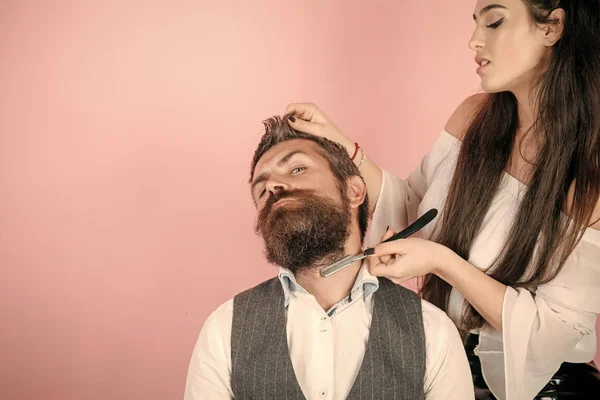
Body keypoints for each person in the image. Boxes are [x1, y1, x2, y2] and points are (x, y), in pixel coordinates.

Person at [285, 0, 600, 399]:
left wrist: (442, 262)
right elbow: (418, 209)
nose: (474, 41)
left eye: (495, 22)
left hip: (551, 388)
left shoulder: (588, 170)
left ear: (552, 28)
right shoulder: (475, 119)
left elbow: (554, 332)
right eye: (475, 24)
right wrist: (342, 145)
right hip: (453, 371)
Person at [183, 115, 474, 399]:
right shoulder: (224, 329)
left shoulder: (432, 332)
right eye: (261, 188)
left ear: (354, 190)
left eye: (297, 169)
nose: (272, 186)